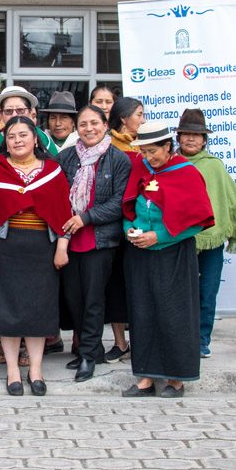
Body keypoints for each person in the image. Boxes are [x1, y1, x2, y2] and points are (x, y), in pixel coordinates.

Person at [0, 116, 71, 396]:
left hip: (42, 250)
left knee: (37, 312)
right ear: (6, 142)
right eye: (12, 136)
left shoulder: (52, 171)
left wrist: (62, 245)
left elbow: (64, 211)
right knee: (8, 312)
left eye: (24, 135)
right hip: (5, 248)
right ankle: (13, 370)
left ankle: (36, 370)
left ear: (36, 139)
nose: (18, 140)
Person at [121, 121, 214, 398]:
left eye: (153, 152)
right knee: (143, 312)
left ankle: (176, 379)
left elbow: (198, 220)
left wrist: (158, 236)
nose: (148, 158)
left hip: (173, 254)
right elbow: (131, 207)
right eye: (144, 152)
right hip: (140, 254)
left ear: (168, 147)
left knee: (173, 314)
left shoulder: (186, 173)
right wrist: (131, 230)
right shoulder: (142, 167)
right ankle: (146, 378)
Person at [56, 105, 131, 382]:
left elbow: (118, 203)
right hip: (68, 239)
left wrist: (85, 217)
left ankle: (88, 354)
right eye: (83, 124)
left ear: (105, 124)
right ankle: (92, 348)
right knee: (74, 298)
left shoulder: (118, 159)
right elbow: (57, 196)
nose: (89, 129)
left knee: (93, 299)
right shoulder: (65, 157)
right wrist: (68, 223)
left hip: (100, 240)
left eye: (94, 123)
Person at [176, 109, 236, 358]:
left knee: (207, 291)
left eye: (196, 135)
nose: (190, 139)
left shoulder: (214, 167)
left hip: (211, 241)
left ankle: (201, 340)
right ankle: (181, 339)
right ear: (178, 137)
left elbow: (229, 201)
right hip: (179, 239)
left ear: (205, 140)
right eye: (186, 134)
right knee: (181, 293)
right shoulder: (171, 165)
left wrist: (232, 228)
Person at [104, 96, 145, 363]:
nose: (142, 120)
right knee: (116, 286)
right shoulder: (107, 148)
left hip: (141, 228)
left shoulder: (148, 147)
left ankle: (142, 342)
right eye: (139, 114)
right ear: (123, 119)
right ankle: (120, 343)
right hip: (113, 227)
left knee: (139, 287)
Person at [0, 86, 58, 171]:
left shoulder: (43, 138)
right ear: (1, 114)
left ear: (30, 112)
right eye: (8, 111)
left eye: (20, 110)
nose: (14, 115)